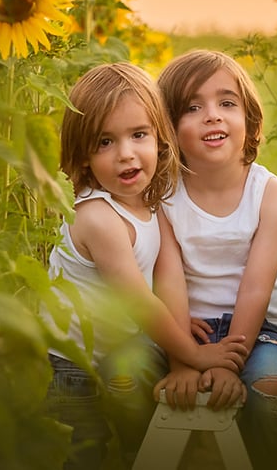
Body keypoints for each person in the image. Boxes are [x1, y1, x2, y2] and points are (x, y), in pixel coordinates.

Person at [42, 61, 248, 470]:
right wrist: (194, 354)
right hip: (77, 362)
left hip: (119, 347)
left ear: (160, 138)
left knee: (142, 437)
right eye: (104, 142)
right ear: (83, 153)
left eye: (139, 135)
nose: (126, 154)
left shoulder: (151, 204)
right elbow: (138, 301)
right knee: (82, 449)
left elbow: (167, 276)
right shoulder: (99, 218)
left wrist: (178, 326)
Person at [157, 50, 277, 470]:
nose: (212, 116)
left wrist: (229, 363)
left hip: (259, 331)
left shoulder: (270, 195)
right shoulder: (163, 195)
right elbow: (168, 280)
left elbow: (256, 287)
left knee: (271, 393)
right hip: (181, 323)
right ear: (167, 128)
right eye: (192, 107)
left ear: (250, 121)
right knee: (126, 379)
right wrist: (182, 358)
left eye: (226, 103)